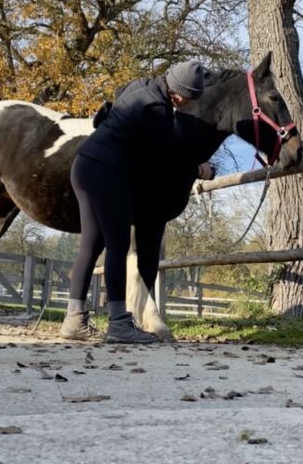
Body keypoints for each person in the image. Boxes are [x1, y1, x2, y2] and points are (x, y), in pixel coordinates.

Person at [60, 60, 213, 343]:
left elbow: (115, 98)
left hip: (83, 164)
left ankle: (73, 320)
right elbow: (162, 160)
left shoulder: (143, 86)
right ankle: (119, 324)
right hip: (107, 172)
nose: (190, 105)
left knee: (92, 244)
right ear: (179, 93)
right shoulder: (158, 110)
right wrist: (198, 169)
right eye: (190, 99)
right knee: (117, 245)